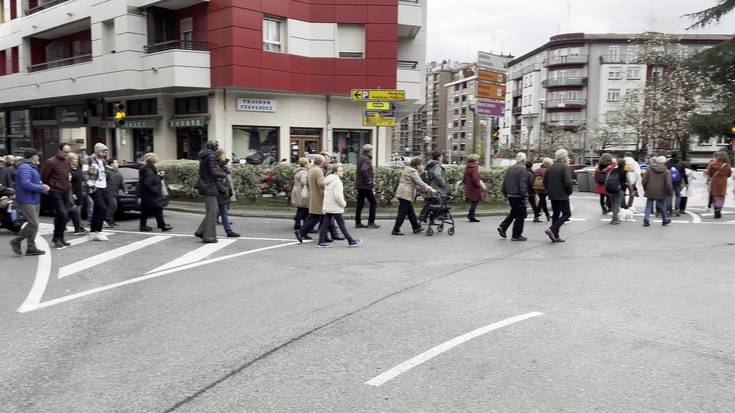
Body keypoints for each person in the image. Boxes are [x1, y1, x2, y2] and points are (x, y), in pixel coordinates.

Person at [9, 148, 50, 256]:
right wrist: (41, 188)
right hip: (26, 200)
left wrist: (41, 188)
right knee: (33, 223)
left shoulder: (30, 167)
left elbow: (33, 182)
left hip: (33, 199)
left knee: (35, 224)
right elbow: (25, 184)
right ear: (33, 156)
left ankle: (31, 248)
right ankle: (17, 240)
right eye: (37, 155)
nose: (39, 157)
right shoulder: (24, 167)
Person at [318, 164, 363, 248]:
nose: (342, 172)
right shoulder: (337, 182)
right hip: (335, 206)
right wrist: (343, 204)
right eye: (340, 171)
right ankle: (351, 241)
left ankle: (321, 241)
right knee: (341, 224)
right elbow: (337, 196)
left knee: (325, 223)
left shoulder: (328, 180)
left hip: (329, 206)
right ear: (335, 172)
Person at [392, 157, 436, 235]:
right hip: (405, 193)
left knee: (410, 212)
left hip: (403, 192)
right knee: (402, 212)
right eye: (420, 164)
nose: (421, 166)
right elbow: (419, 182)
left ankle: (416, 227)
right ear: (417, 165)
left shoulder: (407, 168)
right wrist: (430, 189)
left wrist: (423, 189)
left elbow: (413, 183)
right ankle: (396, 229)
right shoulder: (412, 171)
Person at [42, 143, 73, 249]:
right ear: (59, 150)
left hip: (65, 191)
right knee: (62, 214)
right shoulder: (50, 162)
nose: (67, 154)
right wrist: (47, 188)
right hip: (55, 192)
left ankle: (60, 237)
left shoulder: (67, 161)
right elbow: (44, 177)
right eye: (65, 152)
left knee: (64, 216)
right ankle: (56, 238)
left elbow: (66, 174)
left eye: (68, 152)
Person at [195, 141, 226, 243]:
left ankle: (201, 231)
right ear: (214, 148)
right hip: (209, 186)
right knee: (212, 212)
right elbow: (212, 172)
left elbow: (208, 169)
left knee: (213, 211)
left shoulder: (205, 155)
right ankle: (209, 237)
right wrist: (223, 174)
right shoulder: (211, 156)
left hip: (206, 184)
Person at [296, 155, 328, 243]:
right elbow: (321, 183)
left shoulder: (311, 169)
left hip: (313, 194)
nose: (325, 162)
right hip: (319, 195)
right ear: (321, 162)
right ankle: (302, 232)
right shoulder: (318, 170)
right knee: (318, 217)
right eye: (324, 160)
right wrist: (328, 182)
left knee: (314, 216)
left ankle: (303, 232)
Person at [497, 153, 529, 241]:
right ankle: (516, 235)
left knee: (514, 212)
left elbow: (505, 181)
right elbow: (522, 184)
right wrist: (525, 195)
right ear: (523, 160)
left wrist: (504, 192)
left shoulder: (510, 168)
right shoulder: (522, 170)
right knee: (520, 215)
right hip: (518, 195)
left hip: (510, 194)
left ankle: (503, 227)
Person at [544, 149, 573, 243]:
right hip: (562, 194)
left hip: (552, 194)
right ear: (564, 157)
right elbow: (568, 182)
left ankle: (555, 236)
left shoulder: (550, 167)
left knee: (556, 214)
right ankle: (552, 229)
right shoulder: (564, 167)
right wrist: (569, 192)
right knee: (567, 214)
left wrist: (549, 190)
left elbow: (545, 182)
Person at [138, 153, 173, 232]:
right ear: (153, 160)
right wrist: (155, 191)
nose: (157, 158)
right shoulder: (148, 170)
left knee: (146, 210)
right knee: (158, 209)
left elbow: (154, 179)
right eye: (156, 157)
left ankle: (144, 226)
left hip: (148, 194)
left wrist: (160, 176)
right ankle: (161, 225)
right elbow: (147, 183)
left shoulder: (150, 168)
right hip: (151, 194)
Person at [86, 143, 111, 241]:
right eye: (103, 151)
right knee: (102, 208)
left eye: (105, 152)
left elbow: (104, 172)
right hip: (94, 187)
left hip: (103, 187)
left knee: (97, 209)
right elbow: (84, 173)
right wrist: (90, 184)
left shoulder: (103, 160)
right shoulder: (88, 159)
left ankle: (92, 232)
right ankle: (99, 232)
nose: (104, 153)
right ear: (96, 150)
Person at [642, 156, 673, 227]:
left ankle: (646, 219)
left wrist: (645, 188)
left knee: (648, 206)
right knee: (662, 206)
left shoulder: (649, 169)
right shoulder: (666, 171)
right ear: (665, 162)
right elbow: (668, 183)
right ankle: (664, 220)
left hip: (650, 190)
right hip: (661, 191)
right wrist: (669, 192)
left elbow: (644, 180)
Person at [214, 149, 239, 237]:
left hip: (225, 192)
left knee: (223, 210)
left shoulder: (222, 165)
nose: (224, 157)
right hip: (221, 193)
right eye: (223, 155)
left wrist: (227, 168)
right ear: (219, 156)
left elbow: (227, 174)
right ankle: (228, 231)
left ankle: (228, 230)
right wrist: (224, 189)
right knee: (222, 211)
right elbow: (218, 180)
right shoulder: (217, 165)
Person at [355, 144, 380, 229]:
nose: (372, 153)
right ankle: (371, 222)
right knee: (373, 202)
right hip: (365, 185)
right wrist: (369, 181)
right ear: (368, 151)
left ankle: (358, 222)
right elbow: (364, 170)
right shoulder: (366, 160)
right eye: (371, 151)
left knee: (360, 204)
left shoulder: (361, 158)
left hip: (360, 185)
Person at [419, 151, 448, 221]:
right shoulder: (437, 166)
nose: (442, 158)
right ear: (439, 157)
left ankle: (424, 216)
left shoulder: (429, 165)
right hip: (436, 186)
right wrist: (443, 183)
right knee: (438, 201)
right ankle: (438, 215)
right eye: (441, 156)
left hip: (430, 185)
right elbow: (437, 174)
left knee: (431, 201)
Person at [706, 151, 732, 219]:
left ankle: (716, 209)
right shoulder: (727, 165)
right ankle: (719, 209)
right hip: (723, 183)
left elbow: (709, 173)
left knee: (715, 196)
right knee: (721, 197)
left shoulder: (712, 164)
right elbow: (729, 174)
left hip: (714, 182)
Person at [67, 153, 88, 236]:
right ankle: (79, 227)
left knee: (74, 211)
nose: (76, 160)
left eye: (77, 159)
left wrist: (83, 190)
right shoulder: (69, 170)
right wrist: (72, 193)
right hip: (74, 192)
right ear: (70, 160)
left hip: (80, 192)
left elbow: (81, 180)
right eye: (74, 159)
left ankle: (79, 227)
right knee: (76, 211)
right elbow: (69, 183)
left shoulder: (78, 168)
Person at [463, 154, 485, 222]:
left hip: (470, 186)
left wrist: (467, 184)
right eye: (477, 159)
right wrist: (479, 185)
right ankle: (471, 216)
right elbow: (475, 178)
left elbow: (464, 179)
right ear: (475, 160)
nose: (478, 161)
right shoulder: (475, 167)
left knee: (473, 202)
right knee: (475, 202)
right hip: (475, 187)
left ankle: (471, 215)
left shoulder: (467, 167)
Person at [666, 151, 688, 217]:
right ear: (677, 156)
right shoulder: (681, 163)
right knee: (678, 195)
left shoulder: (667, 163)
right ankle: (677, 209)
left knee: (669, 195)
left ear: (671, 156)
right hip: (678, 181)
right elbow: (684, 174)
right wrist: (686, 183)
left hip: (669, 181)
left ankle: (669, 209)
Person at [291, 157, 310, 231]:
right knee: (303, 208)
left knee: (300, 208)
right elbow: (303, 182)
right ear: (305, 164)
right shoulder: (304, 172)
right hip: (302, 191)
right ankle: (299, 225)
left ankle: (298, 224)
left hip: (297, 190)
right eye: (308, 163)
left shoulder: (298, 171)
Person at [105, 159, 125, 228]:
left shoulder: (118, 172)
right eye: (116, 162)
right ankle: (107, 219)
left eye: (117, 162)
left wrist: (124, 190)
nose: (118, 164)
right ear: (111, 164)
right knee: (113, 206)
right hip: (108, 192)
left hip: (115, 192)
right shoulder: (107, 172)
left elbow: (121, 182)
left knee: (112, 207)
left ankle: (111, 221)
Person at [607, 158, 627, 225]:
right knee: (617, 204)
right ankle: (614, 219)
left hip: (611, 188)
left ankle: (614, 217)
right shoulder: (624, 171)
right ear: (624, 164)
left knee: (613, 204)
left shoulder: (613, 170)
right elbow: (627, 181)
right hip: (620, 189)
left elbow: (608, 178)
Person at [532, 158, 552, 222]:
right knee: (542, 201)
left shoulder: (537, 170)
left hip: (537, 188)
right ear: (547, 164)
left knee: (542, 201)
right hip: (544, 188)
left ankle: (547, 215)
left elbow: (533, 179)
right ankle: (536, 215)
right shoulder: (548, 170)